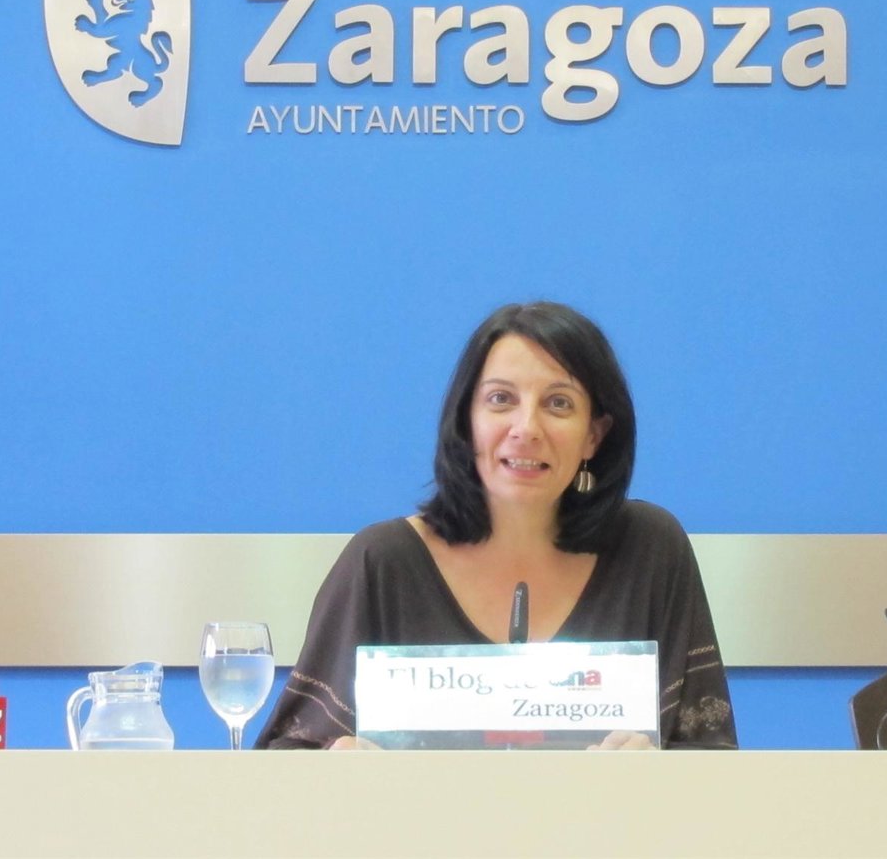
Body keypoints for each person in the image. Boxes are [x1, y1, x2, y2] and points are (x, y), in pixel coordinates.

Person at [255, 302, 737, 750]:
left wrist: (657, 772)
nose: (526, 428)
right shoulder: (381, 563)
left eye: (559, 404)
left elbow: (713, 762)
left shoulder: (651, 550)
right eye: (501, 399)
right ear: (467, 422)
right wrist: (339, 766)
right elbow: (284, 770)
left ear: (594, 435)